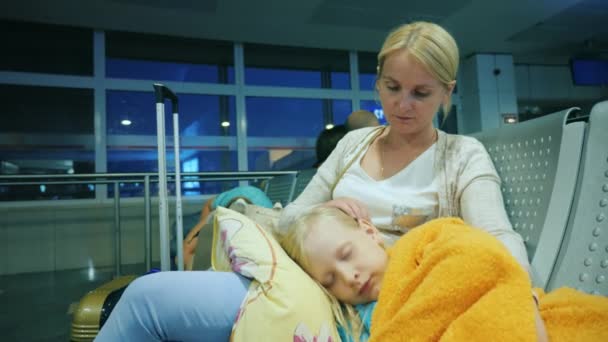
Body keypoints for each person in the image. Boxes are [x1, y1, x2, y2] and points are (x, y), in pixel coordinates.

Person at [94, 20, 526, 341]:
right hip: (313, 280)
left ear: (447, 92)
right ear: (377, 84)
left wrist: (524, 302)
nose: (403, 105)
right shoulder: (355, 144)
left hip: (371, 305)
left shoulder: (461, 155)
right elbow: (295, 215)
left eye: (421, 93)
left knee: (145, 301)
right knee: (145, 297)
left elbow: (497, 239)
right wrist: (324, 210)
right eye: (392, 87)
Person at [281, 206, 608, 342]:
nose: (347, 276)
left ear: (368, 232)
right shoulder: (351, 323)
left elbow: (480, 259)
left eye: (346, 255)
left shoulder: (423, 244)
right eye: (329, 280)